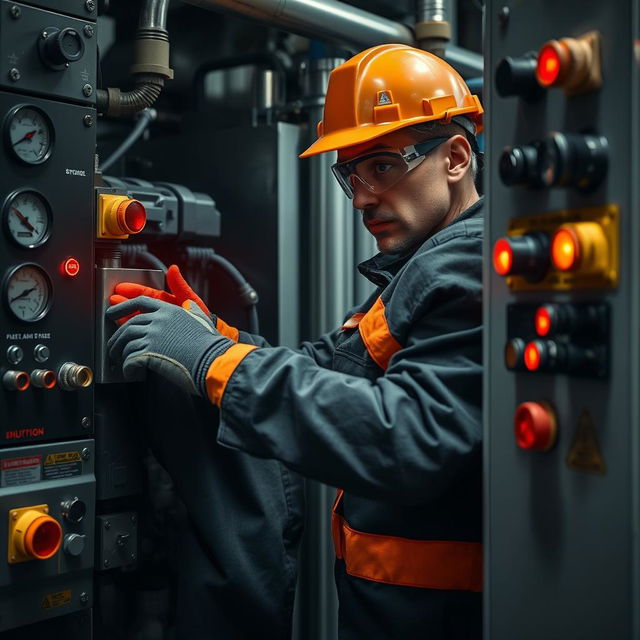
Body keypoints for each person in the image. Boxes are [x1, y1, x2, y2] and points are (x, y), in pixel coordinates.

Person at [107, 43, 484, 639]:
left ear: (457, 158)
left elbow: (409, 436)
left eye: (382, 166)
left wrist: (212, 359)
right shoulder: (423, 265)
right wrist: (214, 335)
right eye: (350, 175)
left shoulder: (472, 267)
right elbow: (334, 368)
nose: (361, 198)